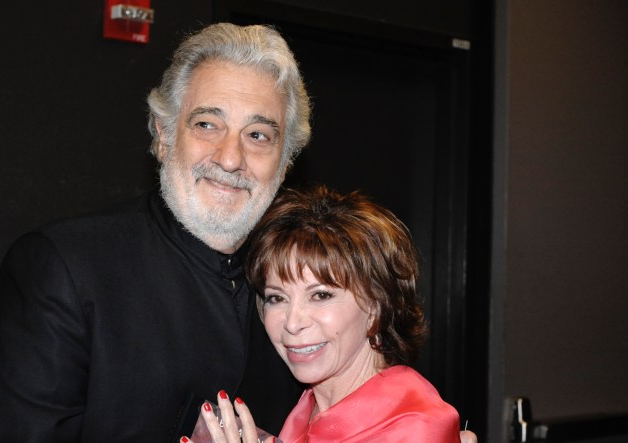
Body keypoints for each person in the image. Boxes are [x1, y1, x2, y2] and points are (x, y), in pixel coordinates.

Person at [0, 22, 477, 443]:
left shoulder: (293, 281)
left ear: (285, 159)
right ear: (164, 136)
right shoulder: (66, 267)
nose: (231, 158)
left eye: (258, 135)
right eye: (207, 125)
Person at [184, 185, 463, 442]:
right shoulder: (307, 407)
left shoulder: (415, 427)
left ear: (377, 305)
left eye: (321, 295)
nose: (292, 323)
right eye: (276, 298)